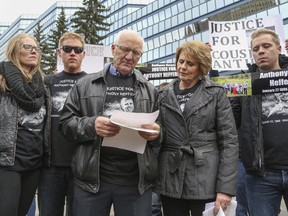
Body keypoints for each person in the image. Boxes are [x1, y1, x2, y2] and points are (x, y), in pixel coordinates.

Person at [59, 29, 161, 216]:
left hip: (135, 183)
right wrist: (91, 125)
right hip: (92, 181)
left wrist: (155, 133)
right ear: (113, 49)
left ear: (140, 56)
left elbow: (161, 134)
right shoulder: (85, 84)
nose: (129, 56)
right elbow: (65, 123)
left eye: (136, 52)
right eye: (124, 49)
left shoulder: (150, 90)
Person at [154, 40, 239, 216]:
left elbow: (229, 142)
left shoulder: (216, 93)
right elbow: (158, 137)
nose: (183, 67)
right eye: (181, 61)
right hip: (171, 176)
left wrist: (225, 189)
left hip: (206, 178)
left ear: (202, 67)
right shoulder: (162, 95)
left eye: (190, 64)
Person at [230, 28, 288, 216]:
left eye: (266, 46)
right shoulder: (243, 83)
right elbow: (230, 122)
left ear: (279, 48)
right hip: (260, 174)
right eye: (255, 49)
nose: (260, 51)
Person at [0, 33, 50, 216]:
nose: (34, 50)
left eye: (36, 47)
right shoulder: (2, 81)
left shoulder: (42, 86)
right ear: (14, 51)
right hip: (7, 163)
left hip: (34, 163)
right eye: (27, 47)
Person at [38, 32, 87, 216]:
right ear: (60, 52)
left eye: (77, 49)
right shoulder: (47, 82)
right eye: (67, 49)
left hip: (81, 165)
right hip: (50, 165)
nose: (72, 53)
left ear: (84, 54)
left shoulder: (92, 82)